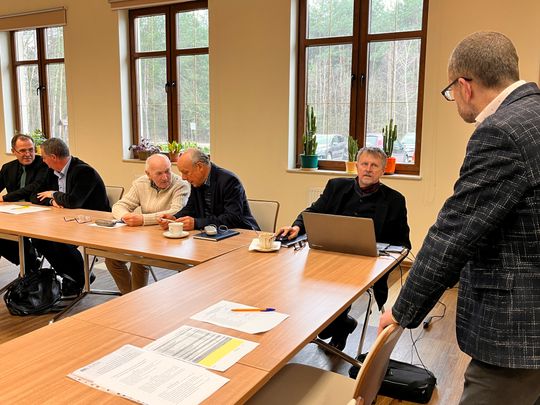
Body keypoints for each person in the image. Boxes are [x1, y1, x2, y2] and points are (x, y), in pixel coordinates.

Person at [378, 32, 540, 404]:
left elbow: (454, 234)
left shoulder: (500, 131)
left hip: (517, 333)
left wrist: (401, 312)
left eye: (450, 91)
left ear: (464, 86)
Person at [278, 146, 411, 350]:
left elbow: (403, 244)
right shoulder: (336, 187)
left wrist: (381, 258)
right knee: (300, 279)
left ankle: (338, 324)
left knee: (332, 307)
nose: (368, 169)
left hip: (367, 265)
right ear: (356, 166)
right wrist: (296, 226)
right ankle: (340, 323)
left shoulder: (395, 200)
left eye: (374, 166)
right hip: (329, 257)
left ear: (383, 171)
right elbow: (313, 211)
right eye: (364, 164)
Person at [30, 138, 110, 297]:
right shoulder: (51, 171)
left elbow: (74, 202)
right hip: (66, 220)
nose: (42, 161)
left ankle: (78, 279)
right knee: (39, 239)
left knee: (59, 240)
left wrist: (53, 194)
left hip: (93, 222)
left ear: (53, 157)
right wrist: (53, 201)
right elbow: (34, 196)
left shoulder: (84, 172)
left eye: (44, 157)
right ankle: (72, 276)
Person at [105, 153, 190, 294]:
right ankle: (131, 296)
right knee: (111, 259)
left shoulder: (181, 185)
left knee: (139, 258)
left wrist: (143, 219)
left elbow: (176, 211)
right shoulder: (141, 183)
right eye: (159, 173)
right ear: (148, 174)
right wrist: (125, 216)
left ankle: (136, 298)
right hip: (144, 237)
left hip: (169, 238)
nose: (165, 177)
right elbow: (119, 206)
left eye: (168, 171)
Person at [158, 148, 259, 231]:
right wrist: (174, 218)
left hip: (241, 233)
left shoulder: (229, 181)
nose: (183, 178)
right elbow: (190, 208)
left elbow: (233, 218)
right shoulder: (197, 181)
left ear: (199, 167)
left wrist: (197, 223)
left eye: (185, 172)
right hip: (211, 234)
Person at [0, 134, 48, 272]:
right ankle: (30, 261)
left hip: (39, 214)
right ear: (13, 151)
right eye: (22, 150)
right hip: (13, 214)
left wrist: (6, 198)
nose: (28, 154)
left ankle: (30, 264)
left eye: (31, 149)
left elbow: (33, 187)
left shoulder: (44, 164)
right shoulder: (8, 168)